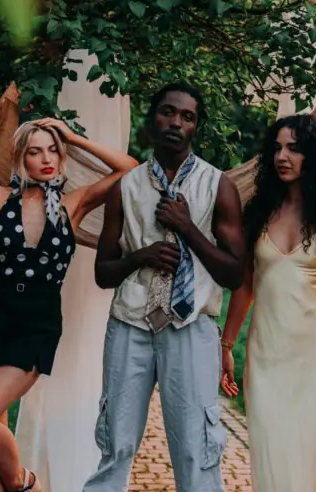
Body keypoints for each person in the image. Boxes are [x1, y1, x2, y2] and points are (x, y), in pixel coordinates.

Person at [0, 116, 137, 491]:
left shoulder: (72, 204)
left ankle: (22, 482)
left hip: (38, 325)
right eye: (35, 151)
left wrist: (74, 137)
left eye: (53, 150)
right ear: (21, 159)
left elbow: (130, 169)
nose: (46, 158)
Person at [82, 83, 245, 492]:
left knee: (196, 451)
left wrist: (188, 228)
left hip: (191, 329)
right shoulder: (125, 188)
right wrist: (141, 256)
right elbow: (103, 273)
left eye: (186, 117)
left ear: (195, 127)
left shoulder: (218, 186)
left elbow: (235, 274)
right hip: (130, 326)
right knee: (115, 446)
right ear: (152, 118)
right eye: (167, 112)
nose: (175, 122)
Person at [219, 114, 316, 492]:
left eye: (294, 148)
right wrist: (226, 344)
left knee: (314, 457)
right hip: (266, 357)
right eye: (278, 147)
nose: (283, 156)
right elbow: (245, 286)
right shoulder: (258, 214)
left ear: (313, 156)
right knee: (272, 455)